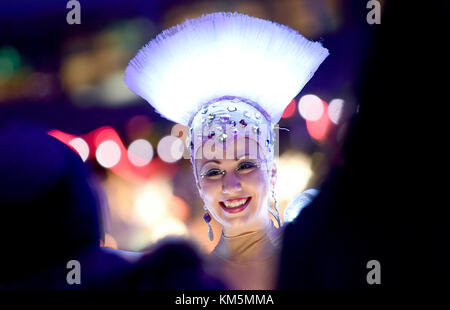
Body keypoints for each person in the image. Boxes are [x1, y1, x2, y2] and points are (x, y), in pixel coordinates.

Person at [124, 12, 328, 289]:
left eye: (245, 165)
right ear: (198, 184)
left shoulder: (315, 259)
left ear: (272, 171)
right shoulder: (190, 281)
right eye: (213, 171)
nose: (230, 185)